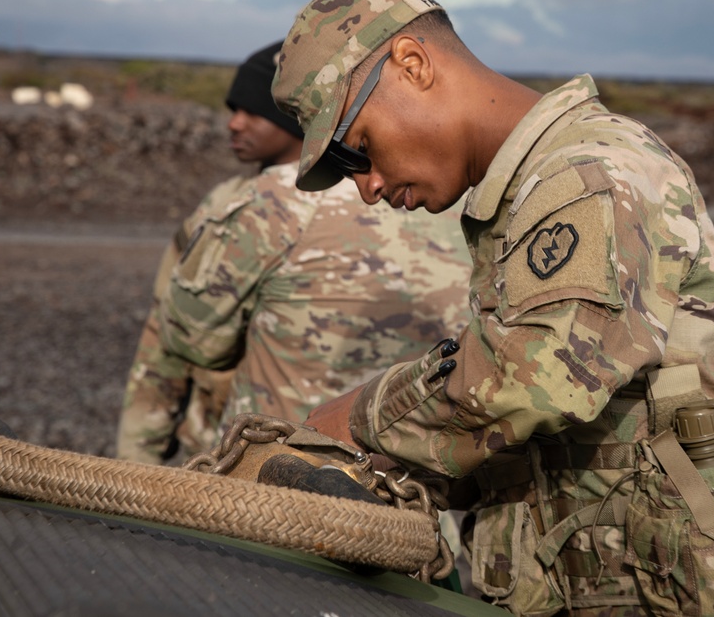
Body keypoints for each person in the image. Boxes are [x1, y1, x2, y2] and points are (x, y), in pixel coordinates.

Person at [271, 0, 714, 616]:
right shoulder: (531, 194)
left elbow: (533, 379)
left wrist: (361, 417)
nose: (365, 186)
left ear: (413, 63)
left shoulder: (590, 174)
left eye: (356, 149)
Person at [117, 40, 472, 466]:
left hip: (276, 477)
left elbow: (182, 341)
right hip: (411, 481)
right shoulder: (439, 197)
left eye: (254, 111)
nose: (234, 124)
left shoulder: (261, 205)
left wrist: (137, 466)